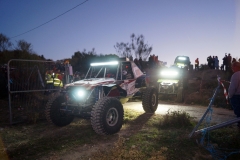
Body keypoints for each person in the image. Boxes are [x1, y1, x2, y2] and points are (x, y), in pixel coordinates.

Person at [228, 62, 240, 128]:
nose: (232, 68)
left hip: (237, 96)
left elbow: (232, 88)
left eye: (233, 66)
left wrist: (230, 96)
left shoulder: (235, 75)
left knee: (238, 112)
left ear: (236, 67)